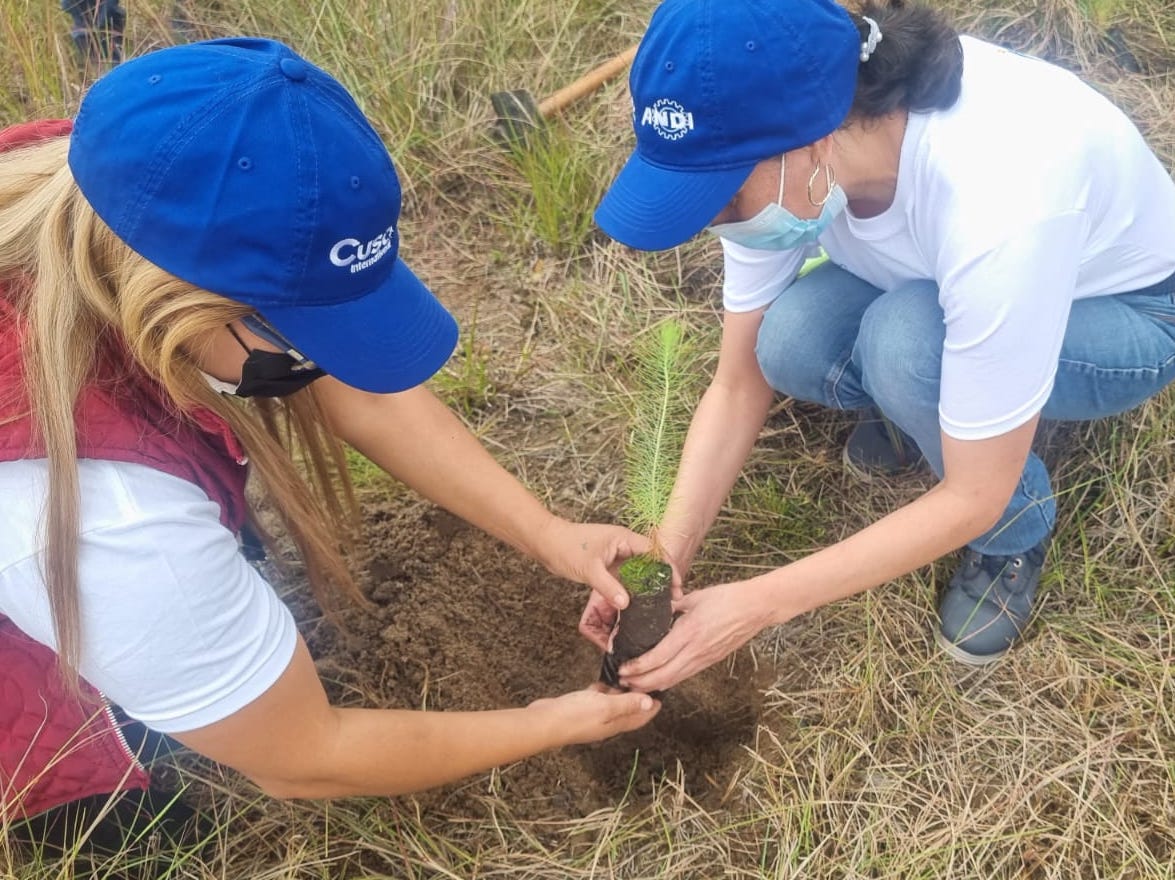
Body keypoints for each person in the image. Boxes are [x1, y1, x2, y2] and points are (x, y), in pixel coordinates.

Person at [0, 37, 659, 819]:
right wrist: (548, 723)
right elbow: (307, 758)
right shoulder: (105, 520)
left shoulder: (100, 181)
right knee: (136, 818)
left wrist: (546, 531)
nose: (316, 368)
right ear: (169, 300)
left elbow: (367, 393)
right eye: (296, 346)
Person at [581, 0, 1175, 688]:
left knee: (908, 347)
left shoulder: (999, 198)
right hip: (933, 281)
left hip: (1125, 314)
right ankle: (925, 410)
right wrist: (667, 559)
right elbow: (739, 381)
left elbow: (973, 493)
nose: (715, 223)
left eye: (721, 200)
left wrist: (753, 605)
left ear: (808, 144)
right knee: (789, 337)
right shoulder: (793, 151)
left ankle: (1014, 539)